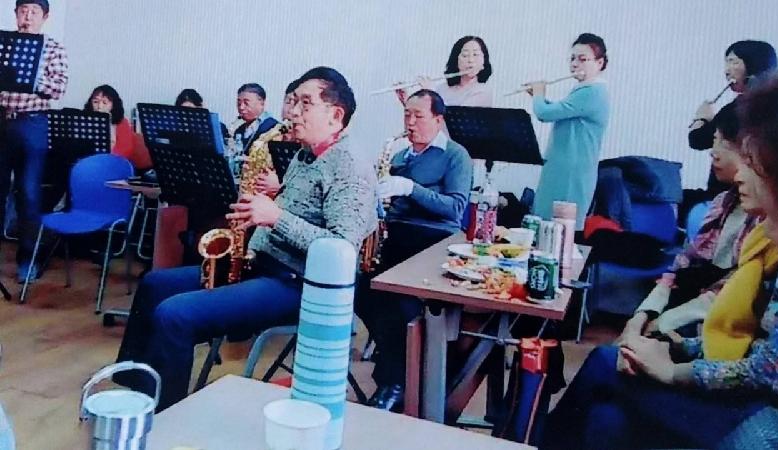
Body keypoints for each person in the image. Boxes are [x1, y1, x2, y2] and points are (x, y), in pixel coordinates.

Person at [540, 64, 778, 450]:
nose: (739, 172)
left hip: (760, 404)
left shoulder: (774, 243)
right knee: (606, 418)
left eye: (751, 159)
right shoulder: (740, 218)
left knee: (604, 369)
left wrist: (673, 363)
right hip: (719, 361)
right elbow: (749, 339)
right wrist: (666, 343)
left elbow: (769, 368)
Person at [113, 67, 377, 411]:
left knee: (174, 315)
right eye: (294, 101)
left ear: (335, 115)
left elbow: (342, 249)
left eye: (305, 103)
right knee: (154, 284)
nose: (293, 112)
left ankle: (164, 418)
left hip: (298, 284)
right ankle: (135, 395)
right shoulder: (305, 154)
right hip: (262, 266)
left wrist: (276, 217)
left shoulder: (351, 167)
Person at [356, 89, 472, 411]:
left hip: (434, 241)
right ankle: (399, 363)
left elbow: (455, 208)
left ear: (438, 119)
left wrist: (411, 188)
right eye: (407, 115)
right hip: (397, 237)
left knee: (397, 301)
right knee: (360, 289)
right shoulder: (399, 157)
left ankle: (395, 381)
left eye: (418, 116)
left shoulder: (456, 155)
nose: (410, 122)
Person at [622, 103, 758, 339]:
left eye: (725, 144)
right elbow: (682, 265)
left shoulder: (765, 225)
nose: (713, 152)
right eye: (714, 140)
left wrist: (660, 325)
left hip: (713, 333)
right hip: (683, 317)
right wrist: (643, 315)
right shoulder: (723, 203)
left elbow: (729, 294)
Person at [0, 0, 68, 282]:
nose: (27, 16)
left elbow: (59, 87)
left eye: (34, 12)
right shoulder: (3, 44)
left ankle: (28, 260)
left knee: (28, 193)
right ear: (16, 14)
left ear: (45, 16)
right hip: (2, 119)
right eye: (22, 11)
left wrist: (27, 77)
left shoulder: (53, 48)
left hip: (33, 123)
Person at [683, 40, 778, 218]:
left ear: (753, 64)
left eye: (734, 62)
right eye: (726, 63)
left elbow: (697, 139)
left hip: (728, 196)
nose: (727, 70)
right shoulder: (776, 105)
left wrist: (701, 117)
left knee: (680, 202)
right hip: (752, 195)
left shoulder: (740, 107)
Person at [528, 33, 610, 231]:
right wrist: (539, 98)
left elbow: (544, 114)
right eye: (572, 58)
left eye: (582, 59)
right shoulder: (584, 90)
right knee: (545, 225)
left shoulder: (593, 92)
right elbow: (562, 111)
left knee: (559, 230)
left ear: (599, 63)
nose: (575, 64)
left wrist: (539, 95)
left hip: (572, 172)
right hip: (561, 167)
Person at [397, 36, 493, 107]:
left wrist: (431, 94)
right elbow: (429, 119)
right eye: (465, 55)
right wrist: (407, 101)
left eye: (475, 55)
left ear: (484, 62)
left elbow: (454, 119)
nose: (470, 60)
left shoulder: (482, 91)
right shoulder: (442, 88)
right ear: (456, 61)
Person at [83, 85, 135, 162]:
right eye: (95, 102)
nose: (99, 106)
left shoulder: (122, 122)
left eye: (105, 102)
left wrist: (110, 126)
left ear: (113, 105)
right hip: (88, 161)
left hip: (114, 162)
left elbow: (126, 150)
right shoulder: (84, 120)